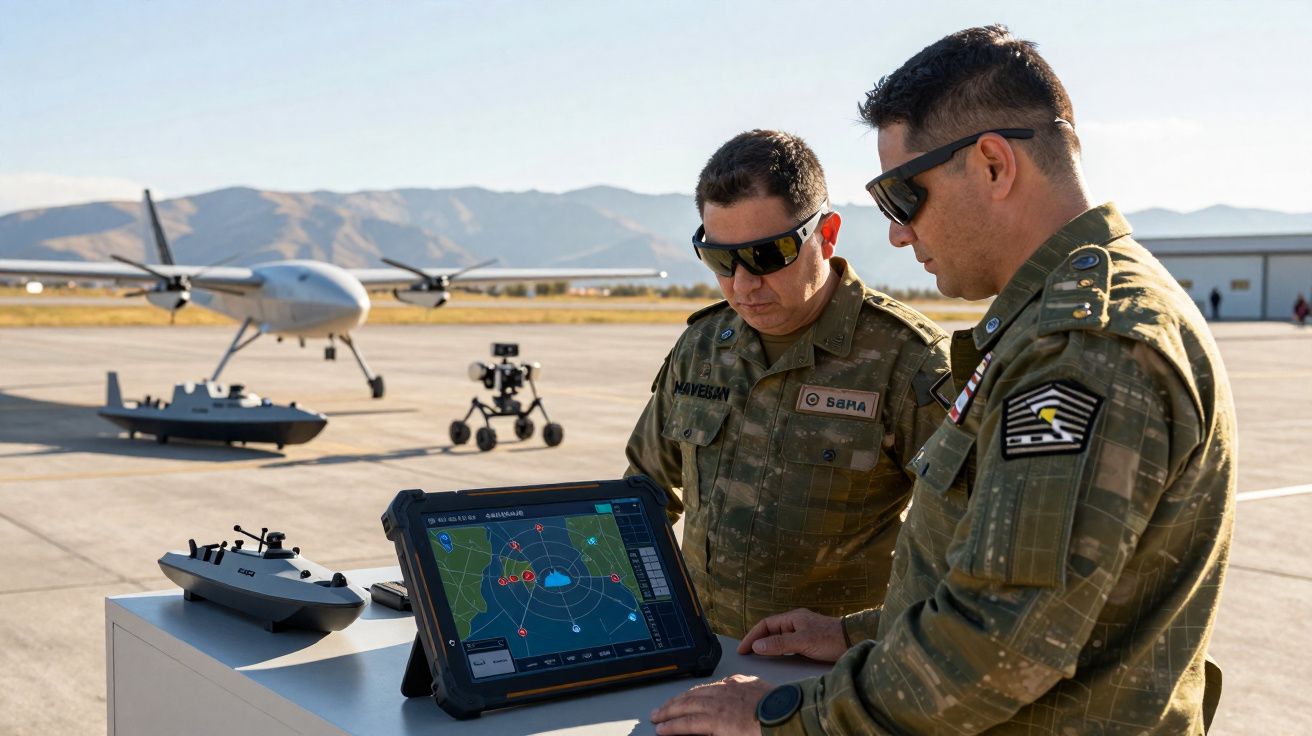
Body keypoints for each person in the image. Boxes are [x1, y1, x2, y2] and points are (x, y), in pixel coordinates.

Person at [651, 25, 1236, 735]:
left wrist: (785, 717)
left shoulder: (1086, 346)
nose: (898, 233)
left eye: (904, 196)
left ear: (993, 165)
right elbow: (1017, 592)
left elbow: (999, 648)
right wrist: (861, 631)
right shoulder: (1061, 323)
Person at [624, 129, 952, 640]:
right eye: (719, 259)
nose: (743, 284)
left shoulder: (908, 361)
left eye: (768, 254)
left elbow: (964, 545)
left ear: (827, 234)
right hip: (701, 653)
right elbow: (644, 493)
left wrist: (856, 636)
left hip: (828, 681)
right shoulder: (704, 346)